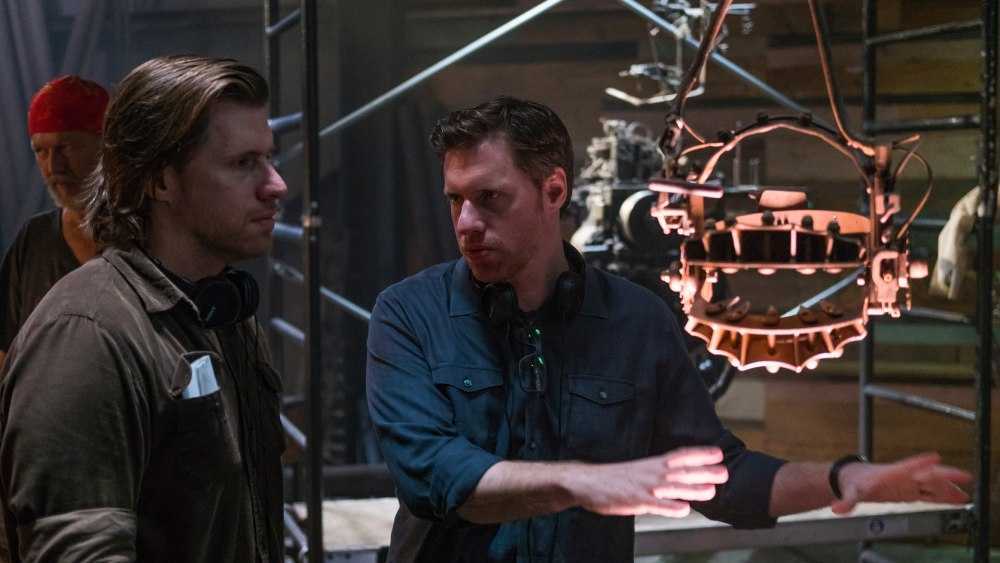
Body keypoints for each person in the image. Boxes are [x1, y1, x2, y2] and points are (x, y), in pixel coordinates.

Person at [365, 96, 972, 563]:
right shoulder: (407, 314)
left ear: (554, 190)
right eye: (455, 200)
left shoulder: (636, 319)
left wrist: (845, 478)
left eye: (489, 198)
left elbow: (722, 477)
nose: (466, 223)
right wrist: (588, 482)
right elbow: (436, 476)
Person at [0, 55, 287, 562]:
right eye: (243, 163)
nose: (276, 184)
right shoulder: (86, 334)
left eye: (268, 158)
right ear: (160, 180)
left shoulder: (222, 314)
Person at [0, 75, 108, 368]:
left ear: (106, 146)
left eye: (66, 147)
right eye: (41, 151)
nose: (53, 167)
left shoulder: (152, 234)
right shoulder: (33, 240)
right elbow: (5, 352)